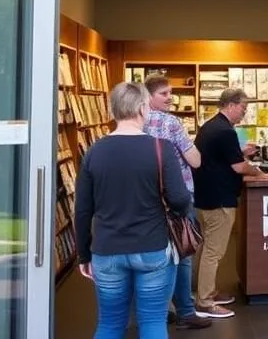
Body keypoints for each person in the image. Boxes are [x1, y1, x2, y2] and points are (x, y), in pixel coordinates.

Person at [74, 82, 192, 339]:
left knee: (109, 324)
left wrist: (84, 255)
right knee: (152, 321)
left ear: (113, 110)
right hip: (153, 247)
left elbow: (82, 210)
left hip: (107, 251)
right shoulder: (161, 149)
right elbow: (181, 200)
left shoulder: (94, 152)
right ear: (142, 108)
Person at [192, 87, 268, 319]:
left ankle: (206, 292)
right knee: (214, 252)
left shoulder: (211, 126)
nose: (244, 114)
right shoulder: (226, 131)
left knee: (207, 248)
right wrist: (259, 173)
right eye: (243, 109)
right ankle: (205, 302)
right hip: (219, 199)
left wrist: (239, 152)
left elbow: (218, 158)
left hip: (205, 196)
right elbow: (238, 167)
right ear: (231, 105)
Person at [142, 74, 210, 330]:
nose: (170, 97)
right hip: (177, 197)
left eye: (170, 92)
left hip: (147, 198)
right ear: (149, 97)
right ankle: (185, 310)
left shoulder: (136, 122)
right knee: (183, 252)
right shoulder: (171, 123)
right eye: (164, 94)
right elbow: (195, 160)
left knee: (153, 254)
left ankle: (159, 310)